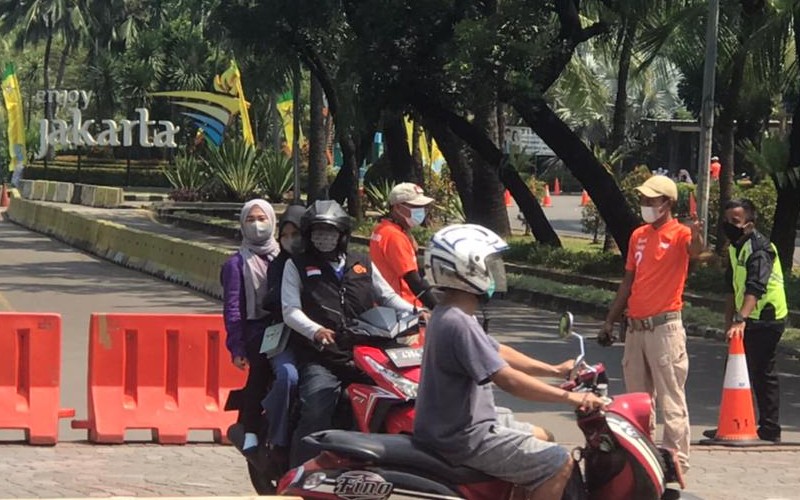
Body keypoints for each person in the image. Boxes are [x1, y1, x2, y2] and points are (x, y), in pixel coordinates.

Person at [414, 223, 606, 500]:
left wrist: (553, 370)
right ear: (469, 268)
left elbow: (499, 351)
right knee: (558, 462)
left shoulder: (450, 313)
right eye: (489, 265)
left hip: (459, 425)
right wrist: (571, 398)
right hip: (464, 436)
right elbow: (508, 379)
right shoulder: (457, 323)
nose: (494, 273)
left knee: (544, 436)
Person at [281, 200, 417, 466]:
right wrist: (316, 330)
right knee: (317, 406)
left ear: (342, 234)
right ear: (308, 234)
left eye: (330, 231)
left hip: (368, 353)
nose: (324, 237)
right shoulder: (296, 265)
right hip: (324, 356)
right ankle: (300, 473)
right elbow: (290, 310)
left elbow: (388, 296)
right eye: (318, 231)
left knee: (399, 396)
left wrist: (416, 312)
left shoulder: (361, 263)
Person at [598, 175, 703, 473]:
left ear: (667, 204)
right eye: (643, 199)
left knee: (670, 396)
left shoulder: (680, 233)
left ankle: (676, 460)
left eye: (651, 200)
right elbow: (629, 279)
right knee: (637, 398)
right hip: (636, 328)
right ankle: (642, 454)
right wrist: (611, 319)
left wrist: (697, 237)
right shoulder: (638, 236)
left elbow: (696, 252)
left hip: (665, 328)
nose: (645, 204)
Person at [704, 199, 787, 443]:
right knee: (745, 369)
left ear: (749, 224)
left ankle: (762, 426)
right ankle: (740, 422)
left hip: (766, 318)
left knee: (759, 371)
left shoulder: (760, 248)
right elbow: (731, 286)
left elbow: (755, 286)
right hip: (748, 317)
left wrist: (740, 320)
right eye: (727, 220)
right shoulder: (735, 246)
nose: (729, 225)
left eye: (735, 221)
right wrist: (729, 320)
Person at [221, 199, 284, 460]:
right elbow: (233, 309)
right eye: (251, 219)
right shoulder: (236, 265)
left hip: (287, 325)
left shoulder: (284, 258)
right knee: (260, 369)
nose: (257, 225)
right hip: (258, 331)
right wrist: (237, 347)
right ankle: (250, 429)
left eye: (262, 218)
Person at [254, 205, 306, 464]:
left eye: (296, 233)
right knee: (288, 375)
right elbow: (273, 301)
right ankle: (276, 438)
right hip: (284, 335)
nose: (290, 240)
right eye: (285, 235)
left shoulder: (317, 263)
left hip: (317, 338)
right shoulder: (279, 266)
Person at [370, 182, 437, 309]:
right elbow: (413, 281)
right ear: (398, 208)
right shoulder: (395, 236)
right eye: (415, 206)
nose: (421, 211)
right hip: (403, 307)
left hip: (385, 304)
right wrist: (437, 308)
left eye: (423, 206)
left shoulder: (382, 229)